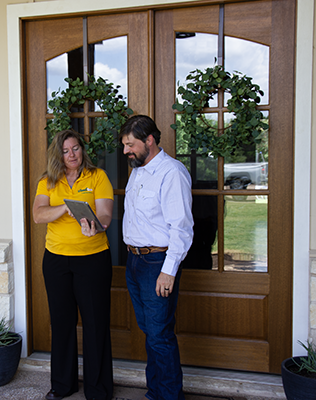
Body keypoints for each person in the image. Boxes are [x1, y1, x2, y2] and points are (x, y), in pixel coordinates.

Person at [32, 129, 114, 400]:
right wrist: (65, 208)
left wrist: (98, 226)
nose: (72, 155)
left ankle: (98, 389)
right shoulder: (47, 181)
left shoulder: (97, 176)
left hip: (92, 259)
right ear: (58, 154)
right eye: (66, 151)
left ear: (82, 149)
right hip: (56, 260)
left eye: (76, 148)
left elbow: (104, 213)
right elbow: (38, 214)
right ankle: (63, 386)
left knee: (95, 323)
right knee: (62, 323)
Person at [119, 115, 194, 400]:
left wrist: (169, 270)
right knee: (150, 332)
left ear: (149, 140)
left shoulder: (171, 172)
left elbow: (182, 228)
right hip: (135, 262)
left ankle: (169, 396)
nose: (125, 151)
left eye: (130, 144)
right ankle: (155, 393)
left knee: (160, 336)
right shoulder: (138, 170)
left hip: (157, 264)